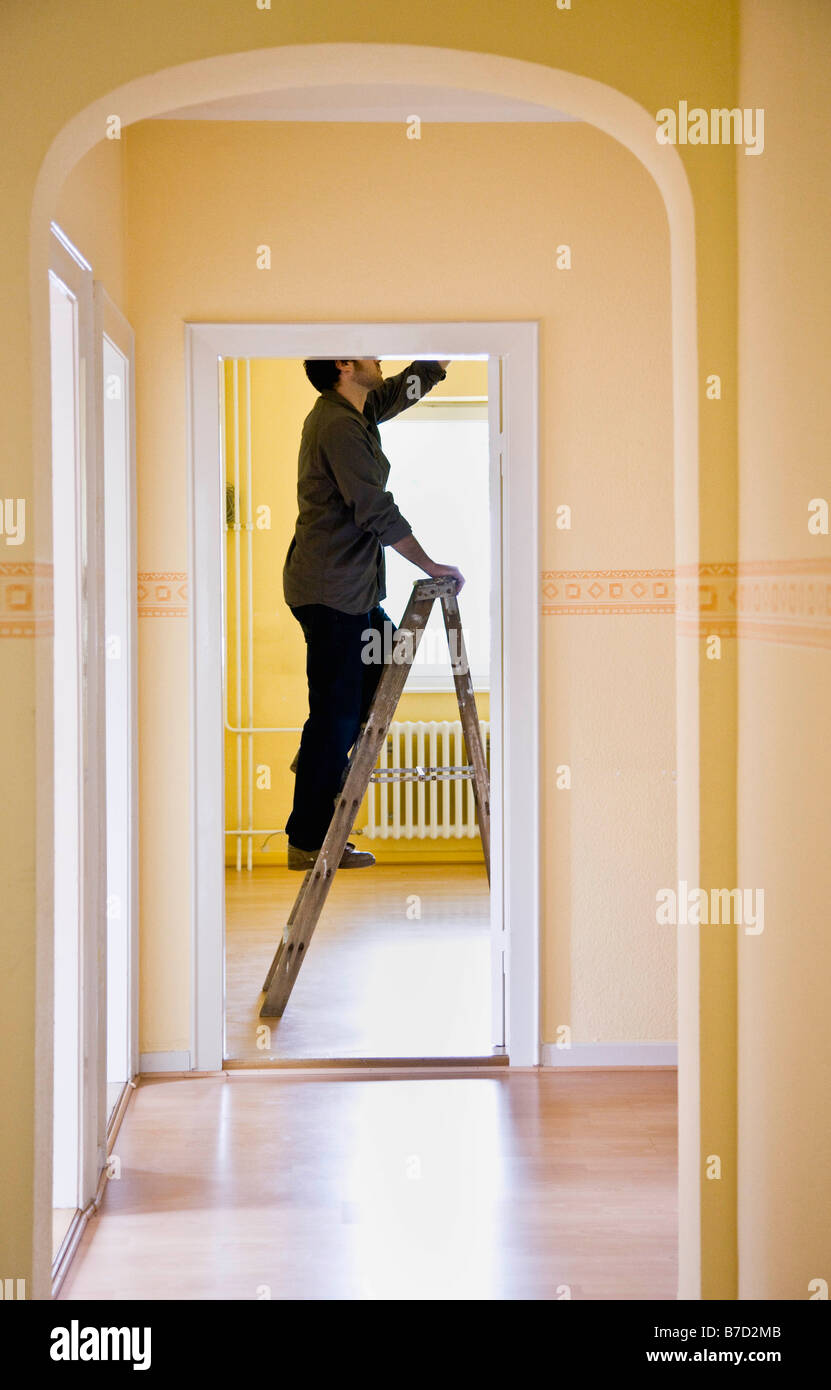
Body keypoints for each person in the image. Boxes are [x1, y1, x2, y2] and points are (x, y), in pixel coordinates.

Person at [283, 357, 465, 869]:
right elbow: (374, 508)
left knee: (384, 664)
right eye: (366, 352)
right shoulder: (338, 426)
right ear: (344, 365)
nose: (378, 357)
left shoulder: (355, 410)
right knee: (336, 714)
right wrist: (429, 563)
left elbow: (396, 392)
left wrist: (440, 356)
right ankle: (308, 842)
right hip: (330, 594)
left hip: (353, 594)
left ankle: (319, 752)